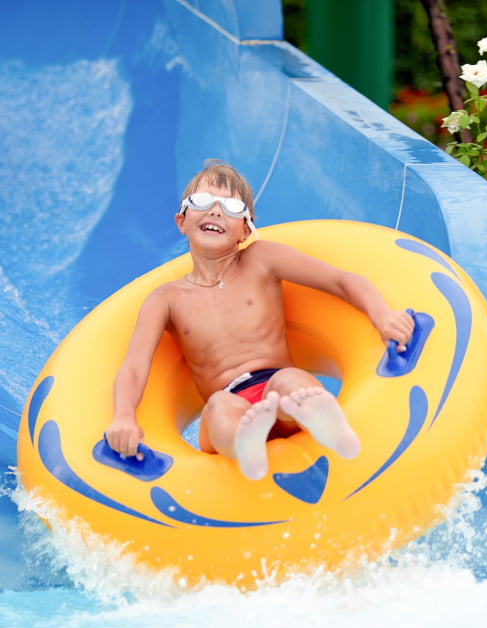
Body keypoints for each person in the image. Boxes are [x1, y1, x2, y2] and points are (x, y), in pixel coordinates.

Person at [105, 160, 414, 480]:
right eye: (201, 202)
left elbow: (341, 281)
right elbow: (134, 366)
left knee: (291, 382)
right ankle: (245, 442)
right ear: (181, 221)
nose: (215, 210)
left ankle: (329, 426)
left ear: (246, 229)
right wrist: (124, 417)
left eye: (231, 206)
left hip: (277, 388)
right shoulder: (165, 299)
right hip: (228, 401)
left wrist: (383, 316)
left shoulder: (262, 259)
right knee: (220, 406)